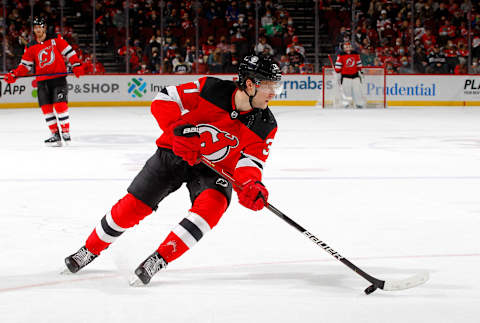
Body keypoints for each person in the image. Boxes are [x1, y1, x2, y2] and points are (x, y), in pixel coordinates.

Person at [64, 55, 282, 286]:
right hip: (174, 152)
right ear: (250, 84)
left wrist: (251, 184)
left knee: (213, 207)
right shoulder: (211, 88)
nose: (273, 93)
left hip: (214, 171)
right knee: (132, 207)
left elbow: (251, 162)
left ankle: (159, 259)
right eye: (268, 85)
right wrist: (179, 130)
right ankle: (89, 250)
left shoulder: (266, 124)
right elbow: (164, 98)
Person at [4, 16, 84, 146]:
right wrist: (15, 73)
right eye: (35, 27)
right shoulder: (30, 46)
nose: (38, 30)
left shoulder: (56, 39)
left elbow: (69, 52)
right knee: (46, 109)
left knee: (60, 106)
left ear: (45, 28)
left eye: (40, 27)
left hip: (58, 79)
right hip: (42, 81)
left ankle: (65, 132)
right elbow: (25, 66)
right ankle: (55, 134)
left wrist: (76, 64)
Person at [334, 42, 366, 109]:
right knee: (346, 91)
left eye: (349, 46)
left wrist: (360, 70)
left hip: (355, 76)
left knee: (357, 91)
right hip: (345, 76)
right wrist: (337, 70)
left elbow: (359, 64)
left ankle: (359, 103)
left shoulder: (355, 54)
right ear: (344, 48)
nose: (348, 48)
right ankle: (346, 104)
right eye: (346, 47)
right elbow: (338, 67)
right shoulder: (341, 55)